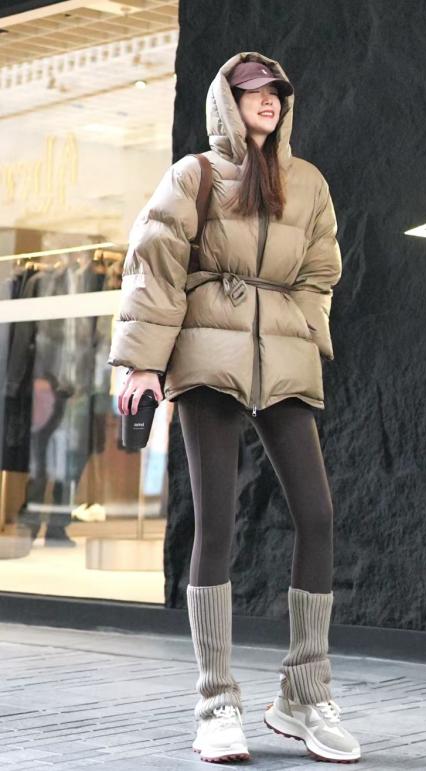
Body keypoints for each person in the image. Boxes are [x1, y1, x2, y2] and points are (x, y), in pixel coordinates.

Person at [108, 51, 361, 764]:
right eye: (253, 91)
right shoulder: (193, 175)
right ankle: (217, 702)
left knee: (317, 515)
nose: (268, 99)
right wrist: (142, 363)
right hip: (206, 357)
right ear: (228, 100)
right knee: (216, 522)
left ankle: (303, 696)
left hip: (283, 357)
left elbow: (321, 270)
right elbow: (154, 267)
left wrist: (302, 325)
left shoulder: (307, 182)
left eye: (276, 90)